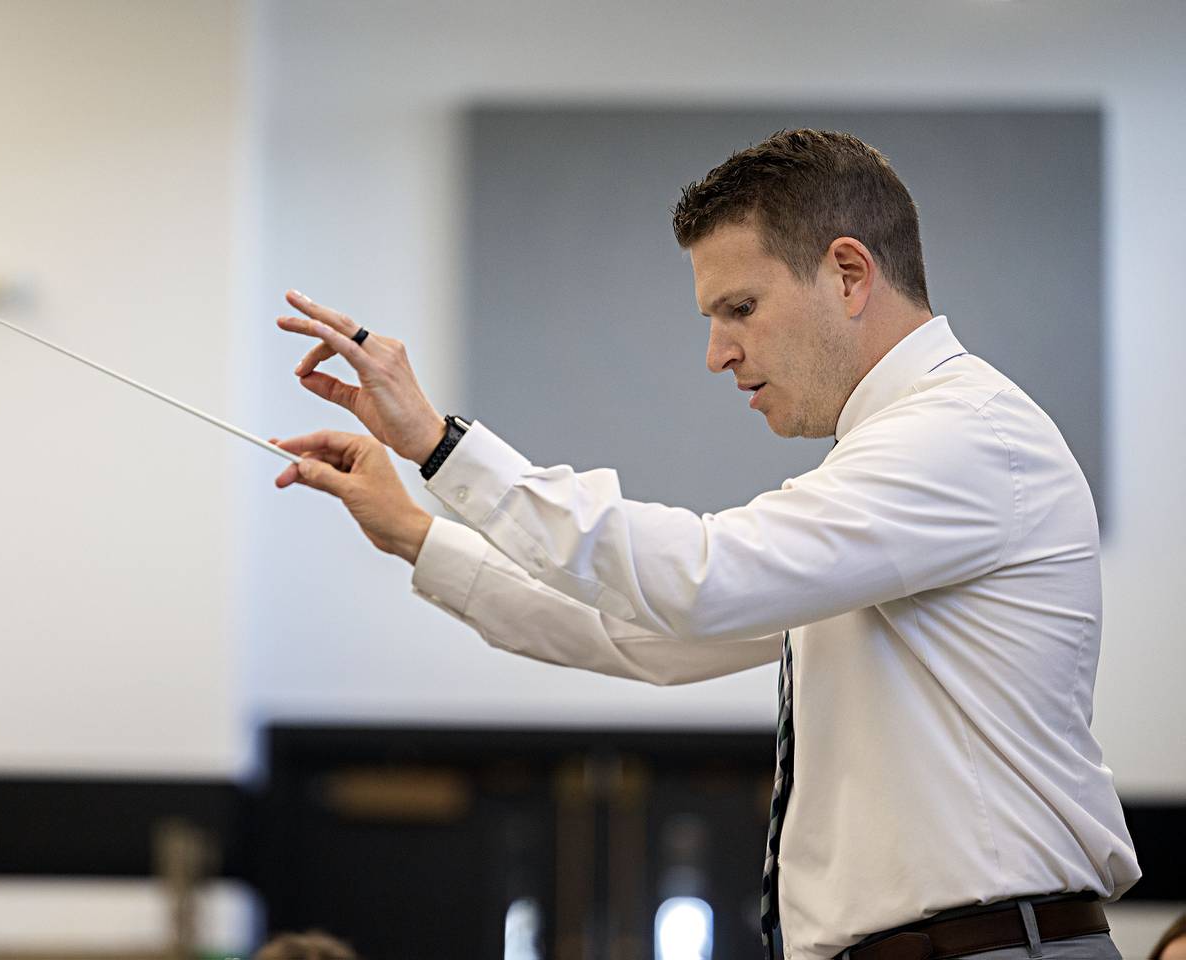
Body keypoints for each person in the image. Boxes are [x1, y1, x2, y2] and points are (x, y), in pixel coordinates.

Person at [269, 129, 1140, 960]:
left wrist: (439, 444)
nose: (719, 353)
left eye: (740, 308)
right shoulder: (896, 466)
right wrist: (420, 535)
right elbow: (647, 634)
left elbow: (701, 580)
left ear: (847, 273)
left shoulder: (964, 436)